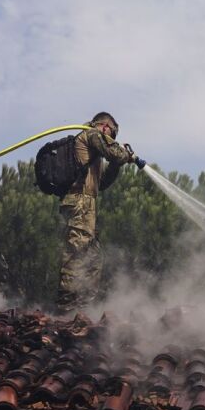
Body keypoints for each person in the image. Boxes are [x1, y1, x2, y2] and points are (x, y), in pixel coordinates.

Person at [55, 112, 139, 313]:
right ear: (104, 127)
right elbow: (115, 153)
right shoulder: (91, 134)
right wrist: (126, 155)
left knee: (93, 257)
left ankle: (83, 307)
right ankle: (65, 305)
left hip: (87, 202)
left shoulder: (93, 149)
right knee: (76, 251)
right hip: (80, 201)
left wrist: (117, 164)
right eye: (111, 135)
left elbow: (102, 184)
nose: (111, 140)